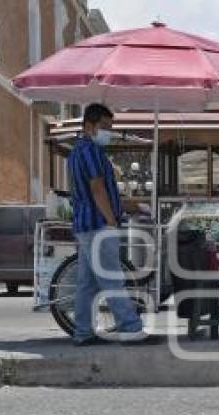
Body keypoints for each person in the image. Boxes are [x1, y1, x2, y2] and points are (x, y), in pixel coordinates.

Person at [67, 103, 154, 346]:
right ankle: (130, 327)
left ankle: (83, 331)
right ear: (88, 126)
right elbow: (97, 189)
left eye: (110, 127)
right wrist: (111, 221)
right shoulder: (91, 152)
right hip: (98, 225)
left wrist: (127, 207)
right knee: (112, 277)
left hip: (85, 225)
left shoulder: (76, 152)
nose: (108, 132)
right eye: (104, 127)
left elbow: (99, 193)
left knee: (87, 283)